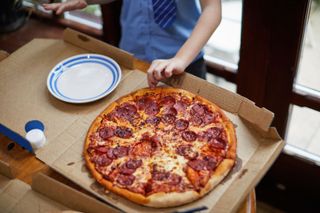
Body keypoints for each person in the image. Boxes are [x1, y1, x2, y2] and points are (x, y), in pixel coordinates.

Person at [43, 0, 221, 88]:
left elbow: (212, 8)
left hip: (185, 60)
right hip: (134, 55)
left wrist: (181, 59)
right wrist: (86, 0)